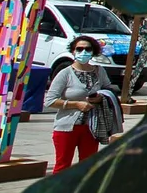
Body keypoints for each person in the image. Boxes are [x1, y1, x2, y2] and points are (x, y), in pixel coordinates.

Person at [44, 35, 118, 174]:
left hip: (92, 127)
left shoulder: (99, 71)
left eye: (87, 49)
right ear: (73, 51)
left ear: (93, 52)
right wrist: (76, 104)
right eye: (79, 49)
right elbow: (50, 101)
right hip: (67, 127)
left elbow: (109, 90)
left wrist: (100, 97)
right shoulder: (65, 73)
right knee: (62, 166)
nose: (83, 52)